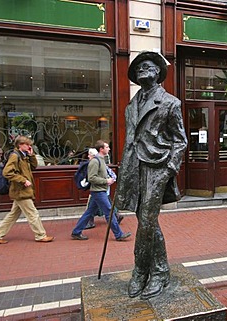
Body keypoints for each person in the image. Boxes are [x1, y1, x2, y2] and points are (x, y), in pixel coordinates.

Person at [115, 51, 188, 299]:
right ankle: (160, 270)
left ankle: (141, 271)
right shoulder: (130, 106)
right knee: (146, 221)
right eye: (137, 68)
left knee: (147, 220)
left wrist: (170, 169)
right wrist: (123, 171)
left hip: (157, 167)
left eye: (146, 66)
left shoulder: (170, 102)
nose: (141, 70)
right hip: (134, 167)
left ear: (158, 72)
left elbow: (180, 141)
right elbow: (129, 141)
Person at [0, 136, 54, 244]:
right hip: (21, 190)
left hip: (22, 190)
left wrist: (31, 154)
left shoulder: (24, 155)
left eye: (30, 144)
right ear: (20, 145)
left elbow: (34, 166)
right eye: (27, 144)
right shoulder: (15, 156)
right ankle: (40, 235)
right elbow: (7, 172)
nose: (29, 146)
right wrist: (23, 180)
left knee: (13, 214)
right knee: (33, 214)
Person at [71, 140, 131, 241]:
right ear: (101, 149)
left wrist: (108, 180)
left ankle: (76, 232)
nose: (109, 148)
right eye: (107, 147)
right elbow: (91, 178)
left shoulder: (102, 160)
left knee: (89, 212)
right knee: (109, 212)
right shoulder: (95, 161)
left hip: (100, 191)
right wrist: (106, 181)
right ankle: (119, 235)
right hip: (98, 191)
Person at [83, 148, 124, 230]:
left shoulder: (95, 163)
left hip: (99, 189)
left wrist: (106, 181)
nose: (88, 156)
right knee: (103, 204)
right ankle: (116, 216)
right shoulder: (99, 162)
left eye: (89, 155)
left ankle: (117, 231)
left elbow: (93, 177)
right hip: (101, 189)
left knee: (101, 207)